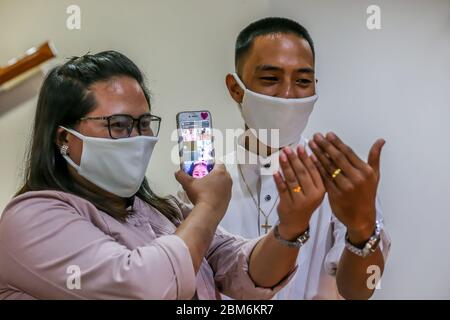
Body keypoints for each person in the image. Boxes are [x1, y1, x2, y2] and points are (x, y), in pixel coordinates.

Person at [0, 50, 324, 300]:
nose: (138, 138)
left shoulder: (160, 211)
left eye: (143, 124)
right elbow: (142, 287)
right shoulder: (31, 218)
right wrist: (210, 207)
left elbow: (244, 270)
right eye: (119, 125)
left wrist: (291, 226)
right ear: (63, 138)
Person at [219, 17, 391, 300]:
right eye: (271, 79)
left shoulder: (342, 177)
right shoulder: (209, 181)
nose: (287, 94)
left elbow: (359, 291)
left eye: (302, 81)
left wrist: (362, 227)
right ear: (236, 88)